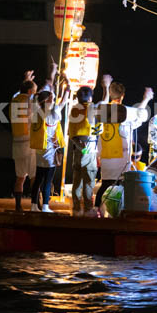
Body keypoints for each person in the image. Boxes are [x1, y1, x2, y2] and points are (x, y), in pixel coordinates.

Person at [93, 82, 152, 213]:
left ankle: (97, 210)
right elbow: (140, 114)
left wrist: (105, 87)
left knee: (106, 185)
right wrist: (146, 98)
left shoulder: (101, 110)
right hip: (121, 157)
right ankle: (117, 211)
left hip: (106, 155)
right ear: (123, 96)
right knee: (120, 185)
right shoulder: (126, 112)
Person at [29, 83, 68, 213]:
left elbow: (35, 100)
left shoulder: (36, 112)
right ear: (48, 100)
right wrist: (67, 89)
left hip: (40, 150)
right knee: (48, 180)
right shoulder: (54, 113)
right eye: (52, 97)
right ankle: (45, 205)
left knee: (38, 180)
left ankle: (33, 205)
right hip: (50, 151)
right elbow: (63, 102)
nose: (54, 99)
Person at [10, 68, 45, 212]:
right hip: (29, 143)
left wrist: (26, 80)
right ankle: (36, 205)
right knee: (34, 177)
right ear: (31, 92)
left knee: (20, 178)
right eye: (34, 89)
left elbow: (21, 91)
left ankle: (18, 206)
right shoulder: (31, 102)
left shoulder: (14, 100)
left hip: (16, 143)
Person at [68, 85, 99, 216]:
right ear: (90, 97)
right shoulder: (92, 108)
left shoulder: (74, 110)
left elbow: (71, 133)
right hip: (89, 148)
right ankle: (87, 209)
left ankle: (76, 208)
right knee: (88, 180)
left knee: (77, 180)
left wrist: (80, 147)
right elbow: (99, 129)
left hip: (77, 149)